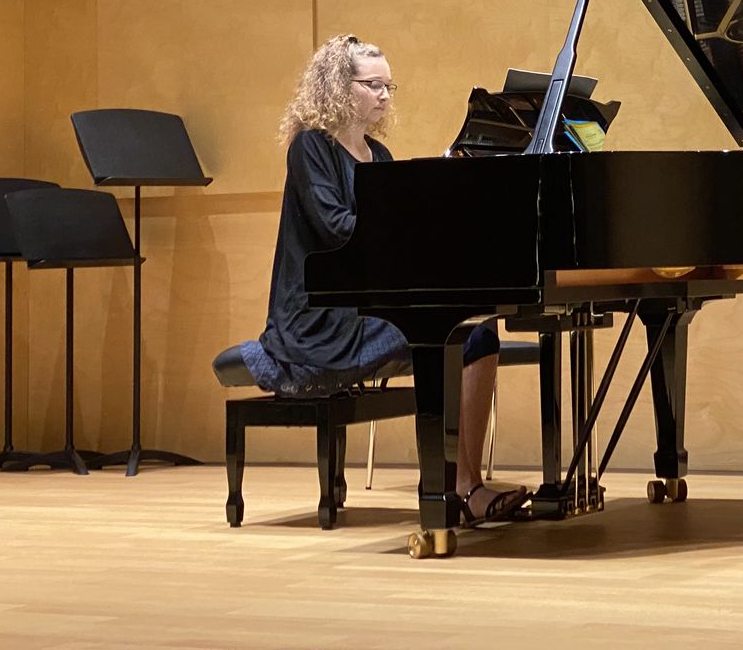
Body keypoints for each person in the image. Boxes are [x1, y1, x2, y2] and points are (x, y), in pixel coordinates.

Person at [223, 35, 525, 524]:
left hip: (366, 307)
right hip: (319, 318)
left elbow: (392, 238)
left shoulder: (378, 155)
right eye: (373, 85)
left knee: (478, 333)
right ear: (340, 87)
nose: (385, 95)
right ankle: (459, 487)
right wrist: (405, 217)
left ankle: (462, 484)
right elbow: (337, 227)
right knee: (460, 335)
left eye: (389, 86)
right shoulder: (311, 147)